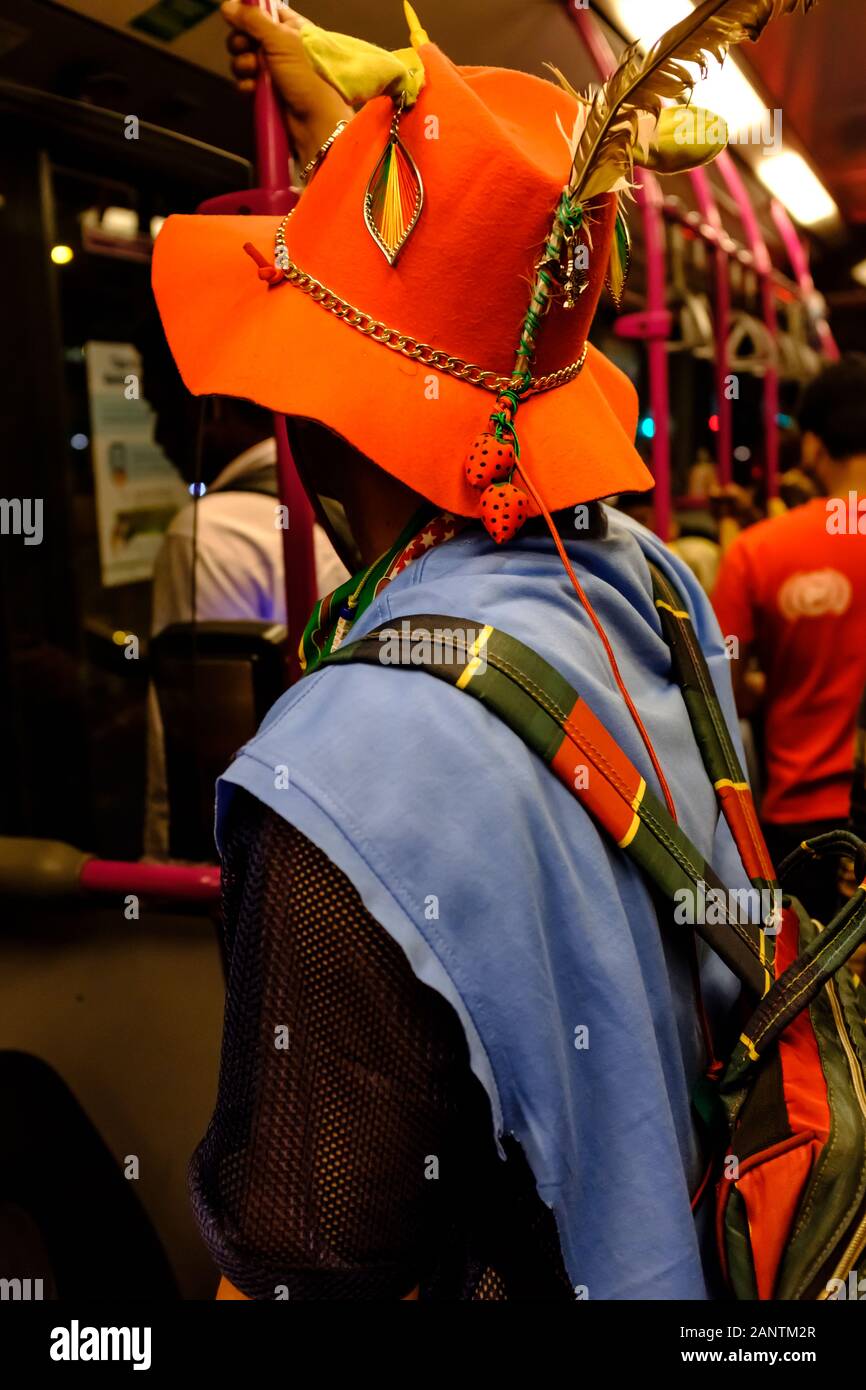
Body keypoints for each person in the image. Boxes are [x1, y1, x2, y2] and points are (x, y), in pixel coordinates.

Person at [151, 1, 807, 1301]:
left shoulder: (350, 766)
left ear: (325, 427)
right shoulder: (650, 586)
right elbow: (466, 319)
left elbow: (306, 1254)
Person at [139, 313, 348, 856]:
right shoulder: (344, 505)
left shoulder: (209, 534)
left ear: (220, 406)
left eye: (164, 409)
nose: (159, 435)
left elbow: (202, 752)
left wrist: (166, 872)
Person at [713, 357, 866, 919]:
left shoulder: (759, 552)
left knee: (820, 1003)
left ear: (812, 446)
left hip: (806, 833)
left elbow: (717, 701)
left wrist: (774, 689)